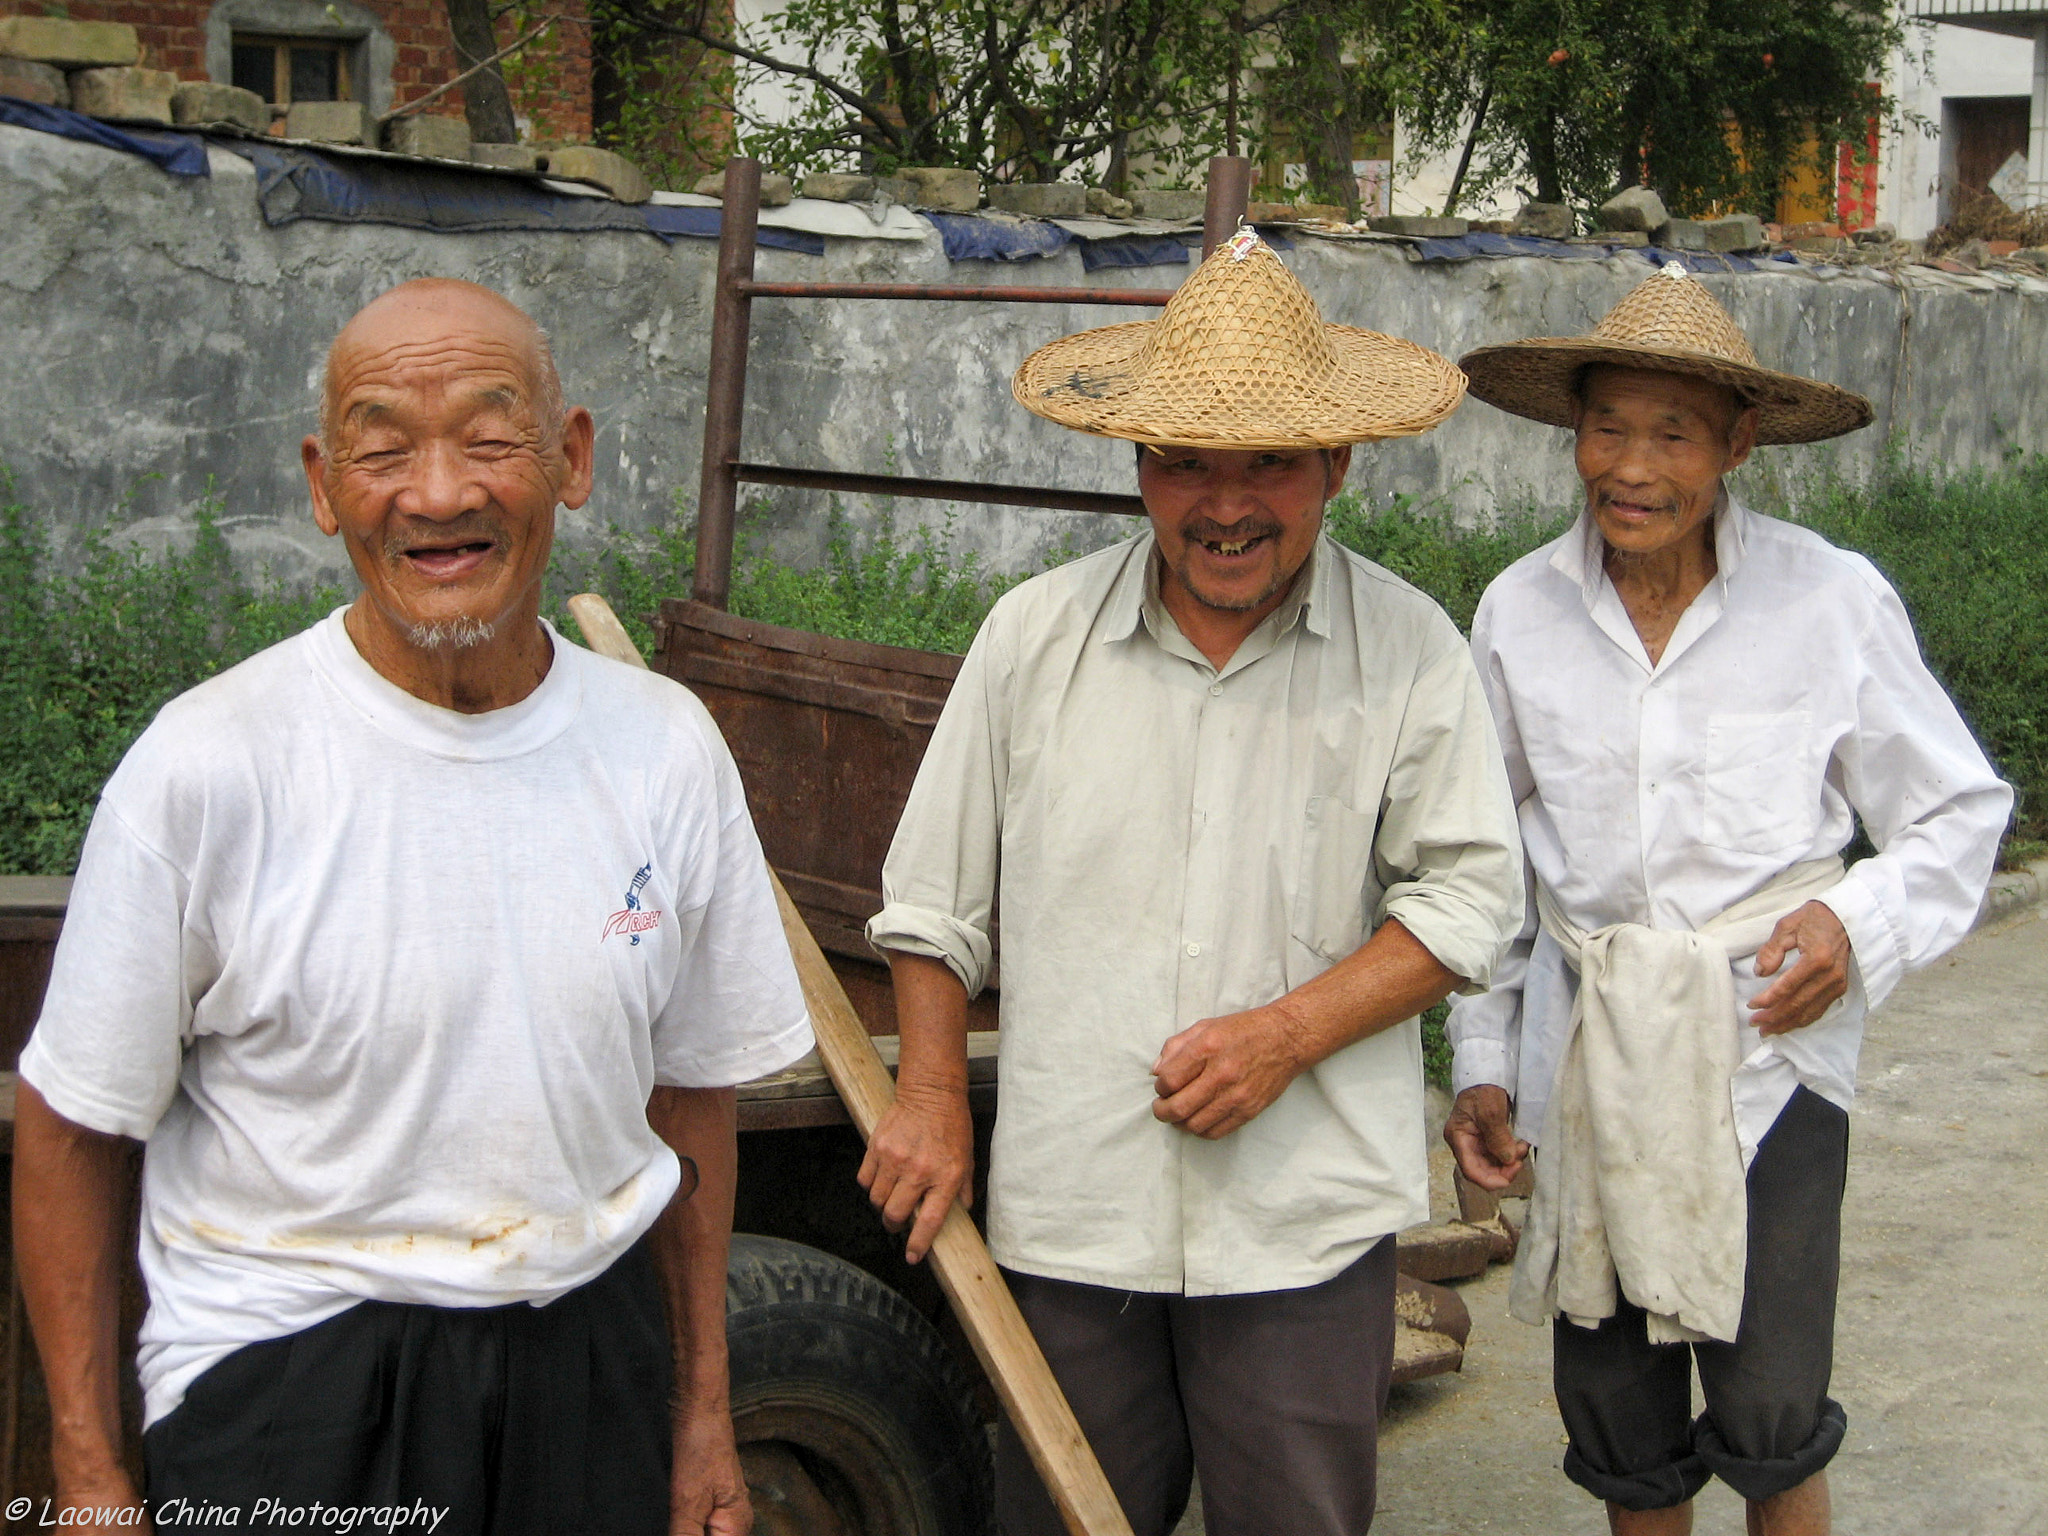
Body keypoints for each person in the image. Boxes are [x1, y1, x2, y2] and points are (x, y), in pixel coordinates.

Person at [13, 278, 813, 1535]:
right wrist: (91, 1477)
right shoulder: (211, 763)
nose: (438, 496)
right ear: (326, 486)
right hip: (292, 1379)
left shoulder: (662, 746)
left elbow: (690, 1101)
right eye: (384, 452)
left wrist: (701, 1409)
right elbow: (70, 1132)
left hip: (590, 1359)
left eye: (491, 439)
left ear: (571, 459)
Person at [859, 232, 1527, 1536]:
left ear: (1337, 464)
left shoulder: (1406, 651)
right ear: (1138, 464)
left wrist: (1287, 1036)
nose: (1226, 504)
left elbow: (1466, 899)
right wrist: (932, 1099)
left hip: (1301, 1226)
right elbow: (933, 904)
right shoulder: (1032, 639)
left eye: (1270, 462)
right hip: (1076, 1214)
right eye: (1186, 464)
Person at [1444, 264, 2012, 1536]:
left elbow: (1956, 810)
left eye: (1673, 432)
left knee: (1768, 1405)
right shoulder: (1516, 613)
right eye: (1607, 428)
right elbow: (1489, 865)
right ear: (1570, 433)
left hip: (1767, 1048)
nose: (1630, 468)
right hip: (1585, 1055)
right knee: (1615, 1408)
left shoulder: (1827, 599)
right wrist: (1481, 1059)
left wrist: (1851, 925)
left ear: (1738, 443)